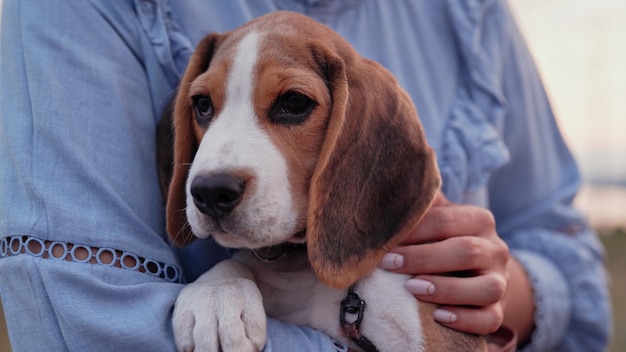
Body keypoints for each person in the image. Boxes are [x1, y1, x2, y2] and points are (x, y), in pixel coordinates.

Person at [0, 0, 610, 351]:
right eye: (204, 107)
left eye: (291, 104)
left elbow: (566, 255)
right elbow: (80, 320)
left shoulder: (467, 12)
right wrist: (224, 281)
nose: (210, 173)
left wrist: (504, 289)